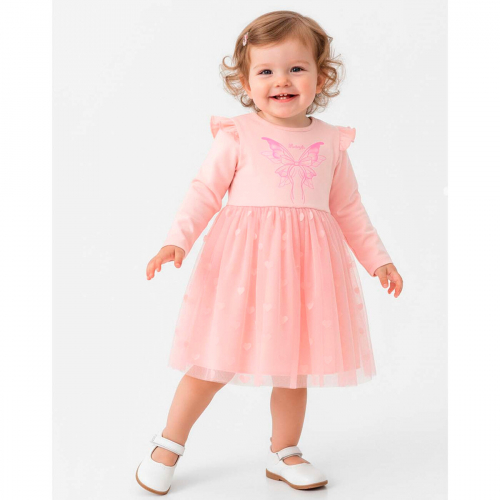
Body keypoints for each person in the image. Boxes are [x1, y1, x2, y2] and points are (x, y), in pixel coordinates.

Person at [136, 10, 403, 495]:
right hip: (242, 269)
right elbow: (204, 192)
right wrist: (178, 239)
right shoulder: (237, 134)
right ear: (245, 82)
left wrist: (377, 259)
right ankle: (167, 443)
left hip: (306, 272)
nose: (281, 80)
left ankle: (285, 451)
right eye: (266, 71)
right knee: (213, 360)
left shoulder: (331, 142)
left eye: (296, 68)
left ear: (322, 77)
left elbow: (349, 209)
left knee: (294, 367)